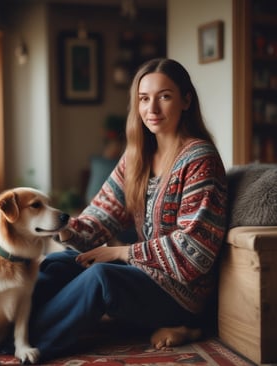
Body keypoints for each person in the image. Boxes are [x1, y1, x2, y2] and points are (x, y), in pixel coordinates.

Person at [28, 58, 228, 362]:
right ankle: (9, 326)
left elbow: (195, 254)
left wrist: (123, 253)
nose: (152, 109)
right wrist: (62, 225)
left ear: (186, 100)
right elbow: (99, 217)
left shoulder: (200, 160)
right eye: (144, 99)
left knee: (101, 278)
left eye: (165, 96)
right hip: (146, 274)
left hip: (183, 294)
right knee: (60, 263)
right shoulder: (137, 158)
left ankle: (27, 342)